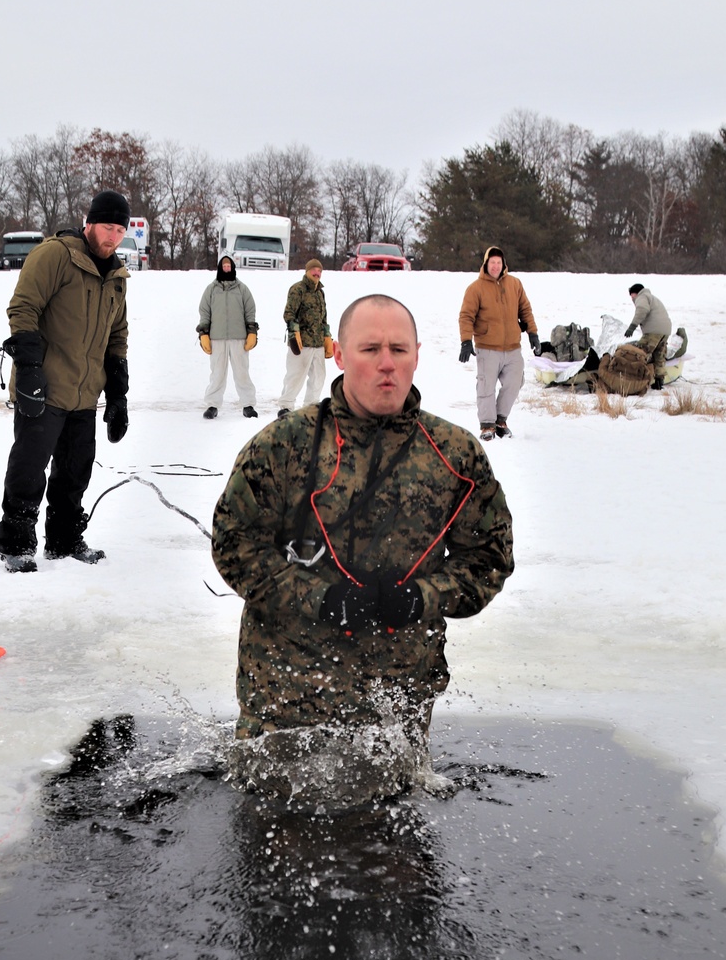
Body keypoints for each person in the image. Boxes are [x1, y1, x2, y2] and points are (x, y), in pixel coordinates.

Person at [212, 293, 514, 763]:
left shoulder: (454, 455)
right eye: (370, 349)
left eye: (399, 349)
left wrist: (421, 598)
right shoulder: (285, 445)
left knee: (392, 831)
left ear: (417, 355)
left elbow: (490, 560)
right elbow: (235, 546)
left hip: (397, 709)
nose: (386, 364)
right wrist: (321, 600)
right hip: (286, 703)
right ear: (339, 355)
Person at [0, 190, 130, 573]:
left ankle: (64, 540)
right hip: (47, 387)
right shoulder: (55, 255)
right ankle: (17, 545)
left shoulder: (117, 277)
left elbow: (116, 336)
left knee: (75, 472)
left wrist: (117, 396)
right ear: (89, 223)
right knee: (29, 466)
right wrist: (31, 370)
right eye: (107, 227)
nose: (113, 237)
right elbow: (23, 307)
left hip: (84, 394)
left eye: (120, 230)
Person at [458, 246, 540, 441]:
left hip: (513, 347)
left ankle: (501, 420)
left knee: (515, 382)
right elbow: (466, 316)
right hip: (487, 347)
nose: (495, 266)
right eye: (492, 262)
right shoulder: (475, 288)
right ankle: (487, 425)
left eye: (498, 262)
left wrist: (533, 334)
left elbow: (525, 310)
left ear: (503, 264)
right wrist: (466, 341)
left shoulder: (515, 284)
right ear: (486, 264)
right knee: (486, 386)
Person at [197, 255, 259, 420]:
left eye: (228, 266)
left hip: (239, 337)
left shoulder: (242, 289)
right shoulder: (211, 289)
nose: (226, 268)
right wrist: (204, 334)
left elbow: (250, 310)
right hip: (217, 338)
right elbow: (204, 312)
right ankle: (212, 405)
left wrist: (252, 331)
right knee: (217, 373)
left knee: (242, 372)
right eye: (223, 266)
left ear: (232, 267)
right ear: (219, 268)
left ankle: (248, 404)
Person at [275, 258, 334, 418]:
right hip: (302, 343)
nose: (317, 273)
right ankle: (286, 405)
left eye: (320, 271)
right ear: (307, 271)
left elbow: (323, 318)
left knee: (318, 376)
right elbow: (289, 314)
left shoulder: (320, 292)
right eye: (314, 270)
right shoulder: (297, 289)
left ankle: (311, 405)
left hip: (318, 343)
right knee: (295, 375)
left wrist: (327, 335)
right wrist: (294, 333)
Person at [624, 283, 672, 390]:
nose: (632, 298)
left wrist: (632, 327)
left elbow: (642, 310)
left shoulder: (642, 297)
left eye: (631, 296)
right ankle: (659, 381)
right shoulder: (652, 298)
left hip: (653, 332)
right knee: (659, 356)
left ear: (634, 293)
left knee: (639, 354)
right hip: (665, 331)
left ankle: (635, 380)